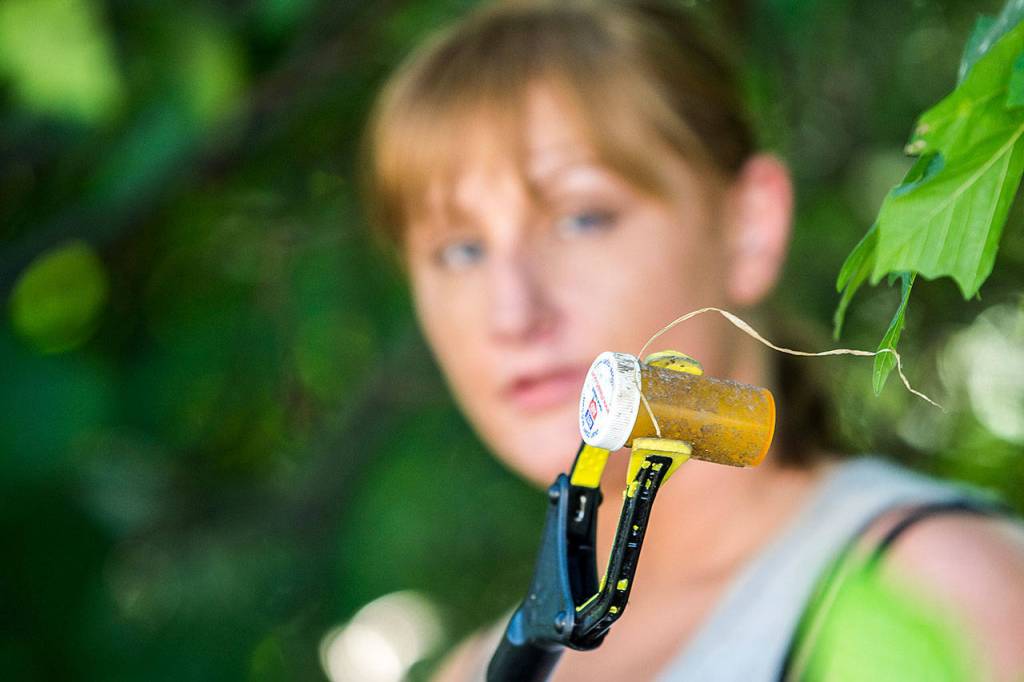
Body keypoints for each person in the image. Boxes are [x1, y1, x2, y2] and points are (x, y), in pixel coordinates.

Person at [360, 1, 1024, 679]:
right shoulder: (475, 667)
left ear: (750, 226)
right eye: (460, 251)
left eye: (582, 218)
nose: (512, 312)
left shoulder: (952, 586)